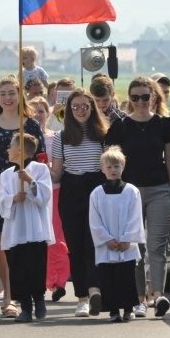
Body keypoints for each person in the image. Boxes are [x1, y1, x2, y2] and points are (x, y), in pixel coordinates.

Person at [0, 76, 46, 318]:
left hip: (27, 194)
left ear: (19, 95)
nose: (7, 98)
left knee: (24, 247)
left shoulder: (31, 125)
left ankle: (30, 296)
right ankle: (9, 295)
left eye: (11, 92)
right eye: (2, 93)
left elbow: (42, 159)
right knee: (0, 247)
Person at [105, 77, 170, 318]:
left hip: (160, 190)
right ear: (129, 99)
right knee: (137, 246)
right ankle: (139, 299)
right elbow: (112, 164)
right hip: (130, 193)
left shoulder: (166, 124)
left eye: (145, 97)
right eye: (135, 98)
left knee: (157, 246)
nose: (140, 102)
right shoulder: (120, 127)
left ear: (153, 98)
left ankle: (158, 296)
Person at [50, 87, 108, 317]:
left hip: (96, 189)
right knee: (75, 246)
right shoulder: (61, 137)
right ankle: (82, 298)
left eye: (85, 106)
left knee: (93, 244)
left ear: (92, 108)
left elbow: (108, 166)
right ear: (69, 110)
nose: (80, 110)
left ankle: (95, 290)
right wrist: (38, 172)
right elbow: (57, 172)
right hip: (72, 190)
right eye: (75, 107)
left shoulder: (103, 134)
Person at [0, 132, 54, 323]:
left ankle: (39, 300)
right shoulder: (6, 174)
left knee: (36, 265)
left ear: (19, 150)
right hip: (16, 228)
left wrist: (30, 181)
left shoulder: (39, 169)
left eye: (10, 146)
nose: (7, 150)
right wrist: (13, 198)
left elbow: (45, 195)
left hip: (35, 228)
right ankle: (25, 307)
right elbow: (1, 196)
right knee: (18, 268)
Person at [89, 147, 146, 323]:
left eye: (116, 166)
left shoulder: (131, 191)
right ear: (102, 169)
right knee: (109, 278)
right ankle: (114, 311)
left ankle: (128, 309)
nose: (113, 170)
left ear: (123, 167)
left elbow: (136, 216)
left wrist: (127, 238)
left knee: (127, 277)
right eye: (109, 167)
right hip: (108, 246)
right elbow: (94, 219)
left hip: (126, 244)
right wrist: (106, 239)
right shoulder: (97, 193)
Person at [29, 95, 69, 302]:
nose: (37, 115)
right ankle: (43, 282)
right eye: (33, 111)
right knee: (38, 238)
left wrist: (48, 169)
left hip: (54, 190)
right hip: (31, 194)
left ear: (48, 113)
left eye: (41, 111)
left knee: (57, 238)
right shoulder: (24, 139)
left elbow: (60, 167)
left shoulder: (56, 137)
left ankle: (59, 281)